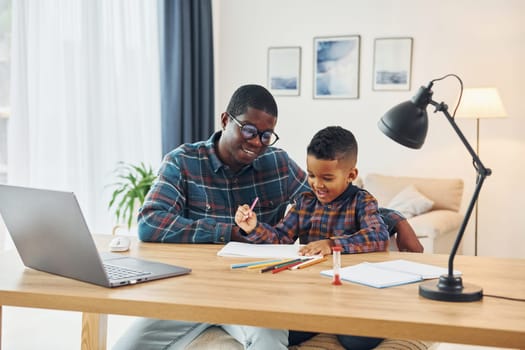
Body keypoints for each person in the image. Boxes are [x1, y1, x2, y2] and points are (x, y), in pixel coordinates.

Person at [113, 84, 422, 350]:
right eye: (249, 130)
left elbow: (334, 199)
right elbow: (151, 222)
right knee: (128, 345)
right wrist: (230, 231)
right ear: (225, 120)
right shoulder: (183, 162)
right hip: (194, 291)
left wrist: (396, 219)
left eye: (265, 135)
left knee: (270, 337)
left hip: (257, 295)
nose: (256, 142)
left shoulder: (277, 164)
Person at [235, 126, 388, 350]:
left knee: (358, 342)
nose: (317, 184)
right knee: (282, 331)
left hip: (352, 296)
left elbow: (378, 236)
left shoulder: (362, 202)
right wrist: (254, 227)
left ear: (351, 175)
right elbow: (279, 237)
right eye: (312, 175)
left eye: (327, 178)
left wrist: (332, 244)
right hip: (311, 297)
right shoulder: (306, 203)